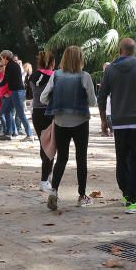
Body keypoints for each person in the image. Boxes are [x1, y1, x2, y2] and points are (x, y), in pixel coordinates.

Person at [39, 46, 96, 209]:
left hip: (60, 122)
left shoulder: (56, 75)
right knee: (81, 158)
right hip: (80, 122)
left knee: (62, 158)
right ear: (80, 59)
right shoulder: (85, 77)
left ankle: (54, 191)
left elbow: (43, 98)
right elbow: (92, 102)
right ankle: (82, 195)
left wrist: (58, 101)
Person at [98, 38, 136, 214]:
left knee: (121, 158)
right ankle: (131, 198)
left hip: (119, 122)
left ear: (120, 50)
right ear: (134, 50)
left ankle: (126, 192)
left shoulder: (111, 69)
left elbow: (102, 95)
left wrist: (104, 120)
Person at [30, 51, 57, 192]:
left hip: (36, 113)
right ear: (52, 63)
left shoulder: (32, 76)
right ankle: (45, 179)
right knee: (51, 146)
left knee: (43, 144)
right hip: (49, 113)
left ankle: (47, 175)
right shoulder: (53, 76)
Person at [0, 50, 33, 141]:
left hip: (17, 92)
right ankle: (9, 133)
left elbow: (5, 81)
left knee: (20, 114)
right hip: (15, 92)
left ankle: (29, 135)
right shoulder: (14, 65)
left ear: (5, 57)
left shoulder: (10, 66)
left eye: (2, 58)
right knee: (7, 111)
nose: (2, 60)